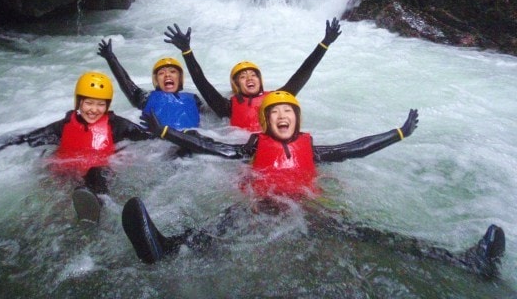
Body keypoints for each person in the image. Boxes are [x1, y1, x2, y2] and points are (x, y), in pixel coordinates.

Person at [121, 91, 506, 278]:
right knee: (226, 220)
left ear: (297, 120)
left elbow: (355, 149)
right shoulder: (252, 149)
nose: (283, 116)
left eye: (289, 112)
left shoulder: (313, 149)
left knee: (368, 233)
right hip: (263, 207)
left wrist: (398, 133)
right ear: (267, 122)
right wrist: (168, 132)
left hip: (305, 210)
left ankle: (464, 261)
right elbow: (207, 144)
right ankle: (166, 248)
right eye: (277, 113)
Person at [0, 71, 156, 223]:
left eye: (100, 104)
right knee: (62, 177)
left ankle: (97, 205)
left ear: (108, 106)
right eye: (88, 103)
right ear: (78, 103)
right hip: (68, 171)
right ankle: (80, 204)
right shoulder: (62, 127)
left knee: (97, 172)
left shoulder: (117, 125)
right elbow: (25, 139)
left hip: (98, 174)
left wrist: (173, 137)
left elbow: (149, 137)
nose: (94, 109)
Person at [163, 19, 341, 132]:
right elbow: (202, 83)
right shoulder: (227, 107)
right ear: (236, 85)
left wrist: (324, 44)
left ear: (260, 81)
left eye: (253, 75)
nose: (249, 78)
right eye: (243, 76)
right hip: (239, 148)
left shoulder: (276, 99)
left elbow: (302, 73)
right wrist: (187, 51)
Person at [98, 39, 202, 130]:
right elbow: (126, 82)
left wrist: (187, 50)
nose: (167, 75)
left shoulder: (195, 99)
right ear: (156, 81)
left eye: (173, 71)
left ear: (180, 79)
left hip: (193, 143)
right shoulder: (145, 97)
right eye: (161, 73)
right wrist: (111, 58)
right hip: (157, 147)